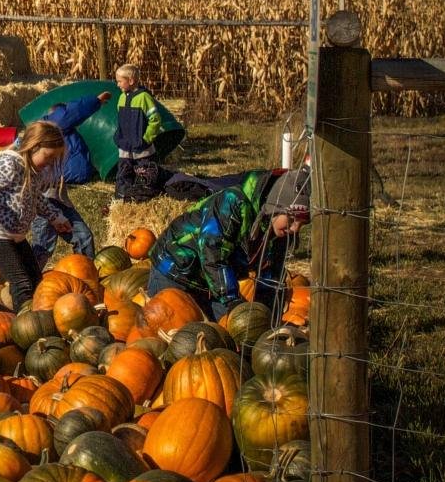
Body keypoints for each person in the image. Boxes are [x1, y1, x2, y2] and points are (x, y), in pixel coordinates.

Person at [148, 166, 310, 320]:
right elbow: (213, 255)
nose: (295, 228)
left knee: (231, 336)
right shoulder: (233, 202)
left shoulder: (280, 233)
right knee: (178, 336)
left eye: (302, 224)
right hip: (175, 272)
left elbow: (270, 275)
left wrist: (264, 317)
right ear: (275, 207)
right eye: (292, 218)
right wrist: (233, 301)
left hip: (209, 283)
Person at [0, 120, 73, 307]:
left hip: (17, 237)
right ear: (34, 147)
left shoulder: (34, 172)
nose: (49, 163)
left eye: (53, 160)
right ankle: (23, 323)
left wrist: (56, 218)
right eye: (48, 156)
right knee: (22, 283)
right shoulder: (11, 167)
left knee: (35, 279)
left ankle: (31, 315)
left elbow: (37, 199)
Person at [27, 91, 108, 261]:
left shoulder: (61, 135)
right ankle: (25, 281)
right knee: (43, 246)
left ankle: (86, 275)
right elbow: (73, 112)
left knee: (84, 237)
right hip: (42, 201)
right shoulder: (54, 124)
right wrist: (96, 100)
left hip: (57, 199)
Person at [112, 64, 176, 202]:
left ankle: (144, 197)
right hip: (125, 145)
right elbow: (120, 119)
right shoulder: (122, 98)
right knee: (123, 172)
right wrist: (119, 136)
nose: (117, 85)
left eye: (119, 81)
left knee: (145, 172)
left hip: (142, 146)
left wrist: (146, 138)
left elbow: (155, 120)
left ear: (131, 80)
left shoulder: (144, 97)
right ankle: (123, 197)